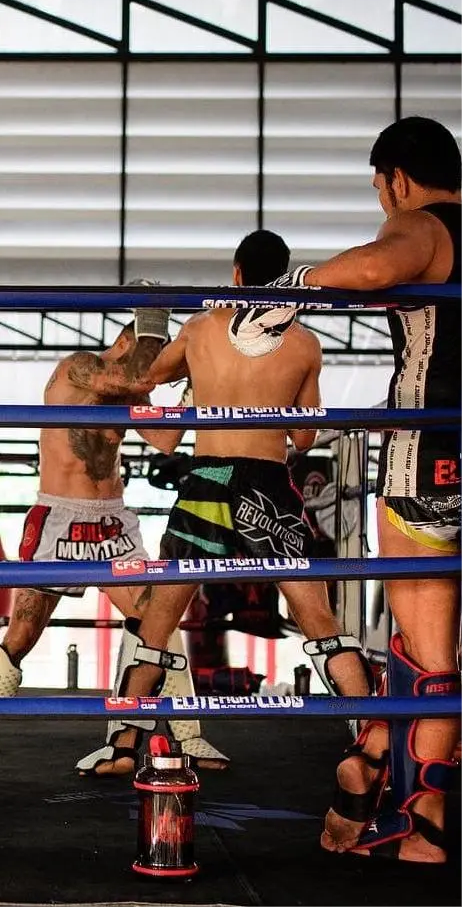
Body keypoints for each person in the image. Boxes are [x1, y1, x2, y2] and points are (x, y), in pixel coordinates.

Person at [87, 231, 376, 777]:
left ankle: (125, 745)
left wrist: (186, 364)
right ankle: (373, 738)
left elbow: (146, 378)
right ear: (286, 276)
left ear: (237, 273)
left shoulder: (201, 327)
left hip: (209, 478)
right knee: (317, 616)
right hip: (268, 484)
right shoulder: (306, 344)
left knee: (157, 618)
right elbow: (306, 438)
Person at [261, 117, 462, 864]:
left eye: (382, 190)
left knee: (428, 651)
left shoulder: (426, 226)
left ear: (398, 180)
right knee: (425, 648)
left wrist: (292, 286)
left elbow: (380, 267)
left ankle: (423, 817)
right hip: (438, 438)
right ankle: (375, 757)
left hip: (432, 455)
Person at [0, 297, 227, 770]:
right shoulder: (82, 367)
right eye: (148, 351)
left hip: (113, 519)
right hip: (59, 517)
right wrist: (172, 344)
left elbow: (167, 439)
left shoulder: (137, 385)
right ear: (125, 342)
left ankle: (185, 736)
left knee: (159, 621)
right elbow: (131, 379)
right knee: (24, 630)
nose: (154, 363)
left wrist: (192, 383)